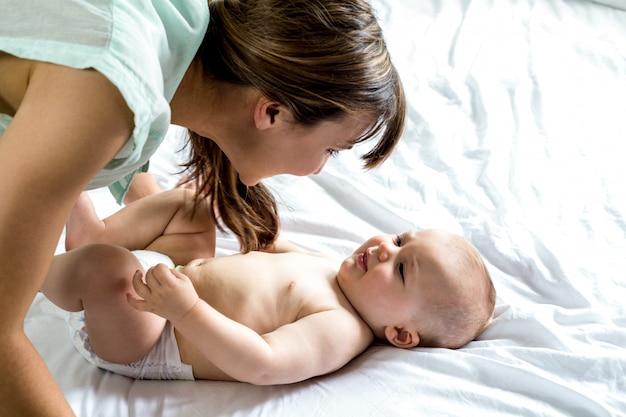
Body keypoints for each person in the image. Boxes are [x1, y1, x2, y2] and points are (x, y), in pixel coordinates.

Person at [0, 0, 406, 413]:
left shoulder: (176, 28)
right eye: (331, 150)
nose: (319, 169)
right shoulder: (104, 95)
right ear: (272, 112)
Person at [41, 221, 495, 383]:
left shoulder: (340, 327)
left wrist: (186, 311)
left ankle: (29, 268)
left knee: (108, 269)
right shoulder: (334, 269)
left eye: (399, 269)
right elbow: (267, 249)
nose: (383, 248)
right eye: (399, 240)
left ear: (400, 334)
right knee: (191, 206)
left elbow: (263, 363)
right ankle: (89, 229)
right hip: (171, 276)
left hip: (151, 333)